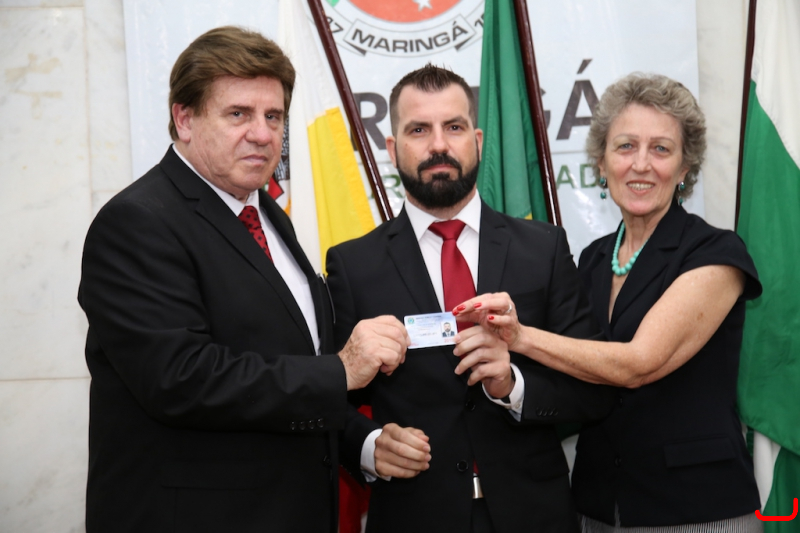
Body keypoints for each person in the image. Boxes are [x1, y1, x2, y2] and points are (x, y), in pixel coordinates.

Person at [78, 26, 408, 533]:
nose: (262, 133)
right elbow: (181, 378)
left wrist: (361, 443)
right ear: (184, 119)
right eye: (238, 114)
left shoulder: (267, 215)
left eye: (273, 116)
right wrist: (341, 371)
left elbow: (289, 360)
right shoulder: (137, 222)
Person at [456, 73, 763, 532]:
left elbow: (639, 363)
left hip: (698, 509)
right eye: (625, 147)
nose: (641, 164)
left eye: (661, 149)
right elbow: (573, 376)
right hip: (598, 506)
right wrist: (506, 380)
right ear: (602, 162)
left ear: (684, 169)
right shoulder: (593, 259)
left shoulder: (716, 252)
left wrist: (519, 337)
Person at [326, 64, 616, 533]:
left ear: (477, 141)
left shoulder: (543, 249)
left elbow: (595, 388)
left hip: (534, 517)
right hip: (414, 519)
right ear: (392, 149)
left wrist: (513, 387)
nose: (438, 145)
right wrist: (368, 445)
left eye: (454, 127)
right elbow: (326, 394)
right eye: (419, 130)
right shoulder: (352, 265)